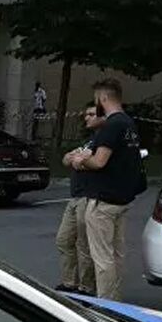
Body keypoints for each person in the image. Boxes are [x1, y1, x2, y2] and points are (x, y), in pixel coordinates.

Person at [67, 77, 144, 302]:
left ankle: (106, 304)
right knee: (116, 254)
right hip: (122, 199)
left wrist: (82, 160)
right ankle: (116, 301)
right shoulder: (129, 124)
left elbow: (99, 162)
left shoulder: (111, 125)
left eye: (96, 100)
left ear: (103, 98)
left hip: (103, 201)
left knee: (102, 258)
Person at [55, 103, 100, 295]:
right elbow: (67, 159)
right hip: (75, 197)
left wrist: (79, 159)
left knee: (83, 244)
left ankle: (86, 287)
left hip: (88, 197)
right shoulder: (89, 141)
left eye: (91, 114)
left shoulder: (102, 141)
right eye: (86, 114)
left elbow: (86, 163)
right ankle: (69, 282)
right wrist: (76, 158)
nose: (86, 117)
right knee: (63, 240)